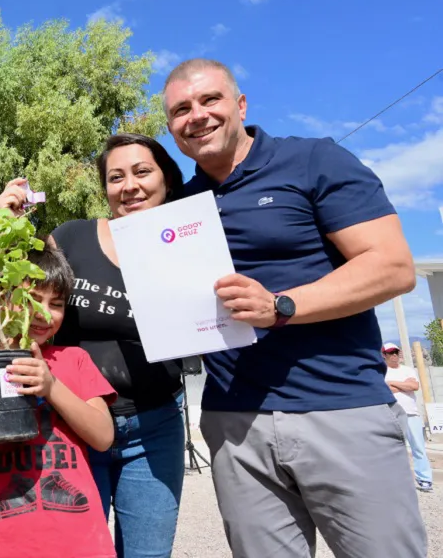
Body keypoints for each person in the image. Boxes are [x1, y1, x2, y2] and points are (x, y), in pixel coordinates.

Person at [163, 58, 426, 557]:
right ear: (171, 127)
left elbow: (393, 267)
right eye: (180, 109)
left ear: (240, 105)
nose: (196, 115)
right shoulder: (180, 208)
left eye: (209, 100)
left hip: (340, 410)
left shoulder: (313, 161)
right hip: (234, 424)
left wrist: (281, 305)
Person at [0, 134, 187, 558]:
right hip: (71, 427)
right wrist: (6, 225)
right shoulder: (72, 237)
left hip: (154, 425)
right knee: (75, 551)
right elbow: (16, 290)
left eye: (142, 172)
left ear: (168, 180)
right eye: (115, 177)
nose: (129, 185)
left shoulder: (189, 248)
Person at [0, 244, 118, 558]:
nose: (44, 313)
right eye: (31, 298)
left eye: (57, 303)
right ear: (3, 297)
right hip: (5, 543)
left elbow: (103, 437)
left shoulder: (73, 359)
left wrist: (51, 387)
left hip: (81, 544)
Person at [383, 342, 433, 492]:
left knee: (418, 447)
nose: (394, 355)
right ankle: (397, 481)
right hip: (391, 414)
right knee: (394, 449)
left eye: (396, 352)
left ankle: (425, 479)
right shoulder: (382, 371)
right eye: (390, 352)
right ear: (384, 355)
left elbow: (414, 386)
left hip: (412, 414)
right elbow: (384, 389)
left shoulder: (408, 370)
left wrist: (391, 383)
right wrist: (402, 385)